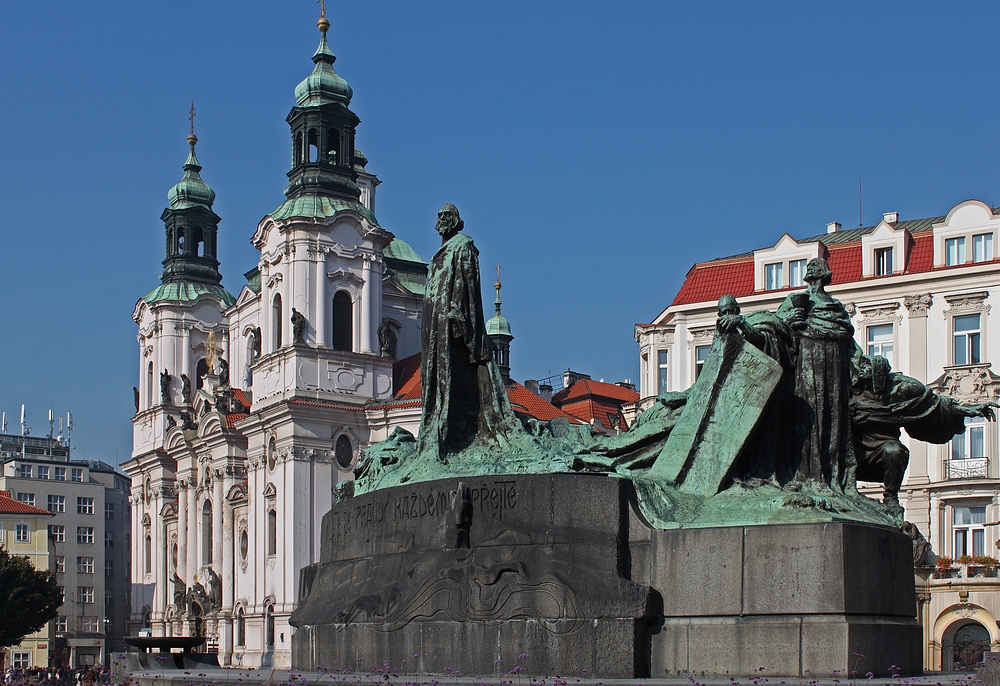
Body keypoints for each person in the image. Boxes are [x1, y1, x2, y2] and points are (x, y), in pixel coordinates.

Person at [417, 204, 521, 459]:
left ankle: (453, 432)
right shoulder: (437, 254)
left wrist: (460, 319)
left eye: (447, 215)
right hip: (434, 327)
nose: (442, 219)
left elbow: (467, 285)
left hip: (450, 323)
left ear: (455, 221)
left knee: (451, 377)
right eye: (439, 215)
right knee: (435, 379)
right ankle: (437, 429)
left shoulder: (463, 245)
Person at [851, 353, 997, 507]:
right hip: (854, 446)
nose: (862, 373)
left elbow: (935, 406)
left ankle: (891, 497)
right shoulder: (847, 389)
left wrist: (968, 410)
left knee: (894, 451)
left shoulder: (901, 389)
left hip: (882, 446)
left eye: (868, 370)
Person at [776, 257, 856, 492]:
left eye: (816, 268)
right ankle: (802, 474)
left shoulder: (835, 305)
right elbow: (778, 325)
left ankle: (830, 475)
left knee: (832, 417)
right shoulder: (796, 301)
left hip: (833, 366)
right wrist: (790, 321)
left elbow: (846, 335)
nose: (812, 271)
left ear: (824, 274)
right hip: (805, 363)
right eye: (809, 268)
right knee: (806, 417)